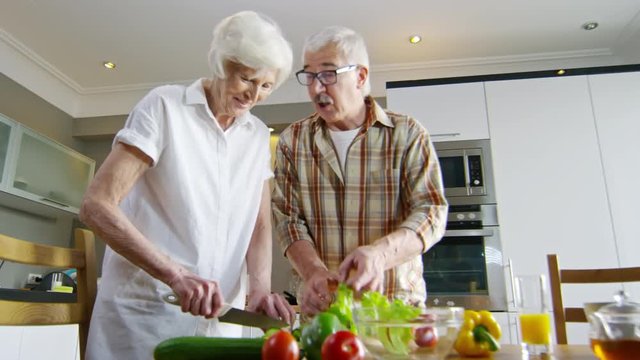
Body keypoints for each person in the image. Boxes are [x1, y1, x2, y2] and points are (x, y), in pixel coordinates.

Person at [80, 11, 295, 359]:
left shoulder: (256, 134)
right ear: (222, 63)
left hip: (220, 322)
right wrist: (175, 275)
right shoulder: (165, 106)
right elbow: (97, 205)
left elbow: (257, 223)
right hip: (147, 315)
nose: (254, 94)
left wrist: (259, 291)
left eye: (266, 85)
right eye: (246, 78)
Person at [272, 26, 448, 316]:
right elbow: (287, 220)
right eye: (310, 76)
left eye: (328, 74)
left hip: (395, 312)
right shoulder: (293, 140)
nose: (316, 88)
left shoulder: (407, 134)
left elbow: (431, 212)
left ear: (360, 76)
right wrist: (313, 271)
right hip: (324, 314)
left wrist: (379, 255)